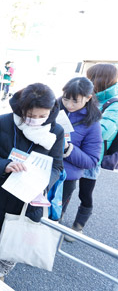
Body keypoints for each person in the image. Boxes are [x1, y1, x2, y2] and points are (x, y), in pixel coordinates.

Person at [0, 83, 64, 280]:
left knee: (13, 242)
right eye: (30, 116)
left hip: (26, 200)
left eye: (41, 116)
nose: (36, 121)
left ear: (51, 111)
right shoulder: (4, 122)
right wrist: (3, 165)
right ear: (21, 109)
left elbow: (57, 167)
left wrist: (41, 183)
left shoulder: (56, 130)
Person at [65, 64, 118, 241]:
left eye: (90, 76)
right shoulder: (84, 96)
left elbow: (104, 130)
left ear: (99, 79)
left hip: (91, 156)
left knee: (85, 193)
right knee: (65, 188)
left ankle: (78, 227)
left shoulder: (114, 104)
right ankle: (55, 218)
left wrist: (80, 129)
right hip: (72, 152)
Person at [59, 77, 102, 241]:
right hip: (40, 168)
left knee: (52, 216)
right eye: (66, 98)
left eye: (75, 101)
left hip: (64, 179)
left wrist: (69, 149)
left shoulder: (92, 123)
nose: (69, 104)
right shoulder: (53, 107)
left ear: (88, 98)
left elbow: (92, 160)